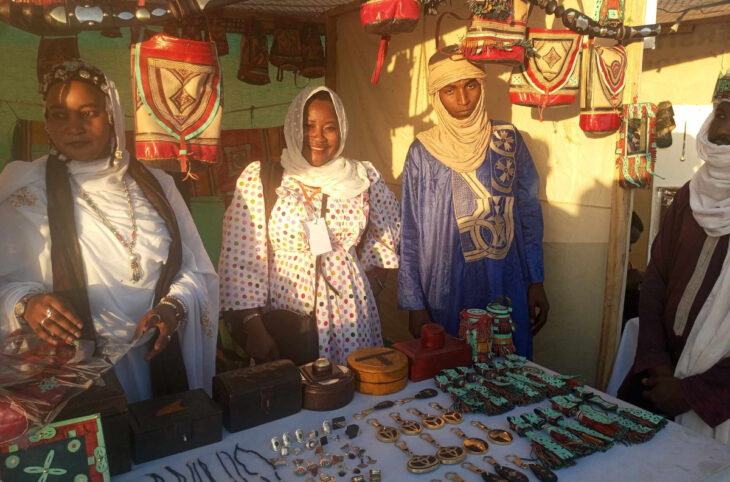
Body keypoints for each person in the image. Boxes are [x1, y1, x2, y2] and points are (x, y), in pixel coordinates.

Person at [0, 60, 219, 404]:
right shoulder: (23, 191)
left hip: (157, 361)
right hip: (75, 372)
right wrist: (25, 303)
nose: (74, 127)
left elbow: (195, 270)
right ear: (46, 124)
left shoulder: (157, 185)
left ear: (113, 115)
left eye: (88, 113)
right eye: (59, 115)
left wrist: (174, 306)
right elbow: (5, 282)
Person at [218, 86, 400, 365]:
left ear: (342, 131)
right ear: (292, 126)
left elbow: (387, 231)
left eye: (329, 127)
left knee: (349, 392)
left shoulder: (362, 177)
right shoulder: (263, 179)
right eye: (308, 126)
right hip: (289, 316)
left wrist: (371, 283)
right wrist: (253, 325)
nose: (318, 136)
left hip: (351, 315)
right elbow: (241, 257)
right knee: (296, 395)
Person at [398, 50, 549, 357]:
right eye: (450, 89)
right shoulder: (423, 151)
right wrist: (414, 302)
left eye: (470, 85)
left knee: (507, 381)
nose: (463, 99)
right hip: (444, 288)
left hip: (504, 280)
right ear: (436, 95)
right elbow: (411, 231)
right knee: (449, 379)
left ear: (482, 86)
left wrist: (536, 280)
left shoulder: (507, 139)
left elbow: (529, 212)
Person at [618, 71, 730, 443]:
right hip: (660, 378)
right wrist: (657, 362)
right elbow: (655, 281)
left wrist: (694, 393)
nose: (724, 131)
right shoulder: (690, 195)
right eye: (724, 115)